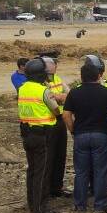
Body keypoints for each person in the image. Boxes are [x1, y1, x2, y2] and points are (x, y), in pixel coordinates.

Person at [62, 59, 107, 213]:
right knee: (101, 171)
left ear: (81, 77)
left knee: (81, 172)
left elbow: (66, 114)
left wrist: (73, 130)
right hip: (101, 135)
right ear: (99, 76)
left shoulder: (74, 93)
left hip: (81, 135)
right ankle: (100, 205)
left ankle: (80, 205)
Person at [17, 58, 60, 213]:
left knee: (33, 169)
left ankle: (32, 203)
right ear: (41, 74)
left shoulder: (23, 88)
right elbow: (55, 109)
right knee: (43, 171)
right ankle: (40, 208)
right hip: (43, 134)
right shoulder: (43, 91)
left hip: (27, 132)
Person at [42, 56, 71, 198]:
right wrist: (61, 97)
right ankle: (46, 189)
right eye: (53, 65)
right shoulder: (41, 82)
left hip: (60, 120)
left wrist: (59, 97)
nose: (55, 67)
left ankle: (56, 187)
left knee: (60, 155)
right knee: (49, 157)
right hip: (48, 122)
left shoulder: (57, 79)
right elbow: (51, 100)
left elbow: (70, 95)